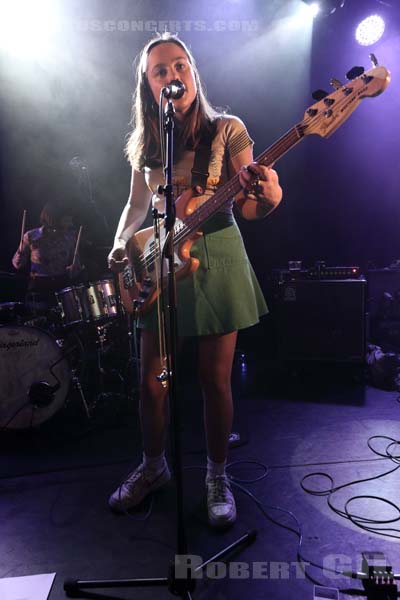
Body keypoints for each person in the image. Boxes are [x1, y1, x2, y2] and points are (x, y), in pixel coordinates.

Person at [107, 33, 282, 528]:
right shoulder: (147, 143)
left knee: (214, 380)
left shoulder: (228, 129)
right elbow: (137, 205)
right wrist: (123, 242)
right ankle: (153, 466)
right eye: (160, 70)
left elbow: (249, 204)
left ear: (192, 73)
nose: (171, 75)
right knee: (150, 383)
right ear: (148, 83)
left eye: (179, 65)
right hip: (160, 261)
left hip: (217, 253)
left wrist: (268, 195)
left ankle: (216, 475)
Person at [12, 201, 81, 309]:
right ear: (54, 219)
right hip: (39, 288)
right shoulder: (31, 236)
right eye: (67, 219)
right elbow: (17, 264)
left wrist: (74, 269)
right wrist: (19, 256)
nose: (70, 223)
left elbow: (76, 267)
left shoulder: (70, 238)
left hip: (62, 286)